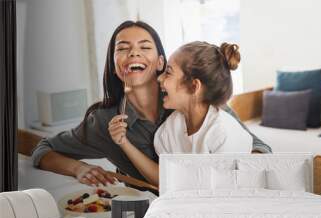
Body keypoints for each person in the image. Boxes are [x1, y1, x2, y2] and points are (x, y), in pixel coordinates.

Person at [32, 20, 271, 191]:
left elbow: (258, 147)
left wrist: (239, 180)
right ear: (115, 65)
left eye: (144, 47)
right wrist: (78, 168)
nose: (134, 53)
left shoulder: (194, 101)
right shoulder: (104, 122)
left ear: (160, 63)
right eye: (123, 48)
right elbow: (43, 150)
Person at [108, 41, 252, 186]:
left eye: (168, 72)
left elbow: (226, 197)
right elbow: (166, 179)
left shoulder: (224, 134)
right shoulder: (169, 129)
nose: (159, 78)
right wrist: (124, 142)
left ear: (194, 86)